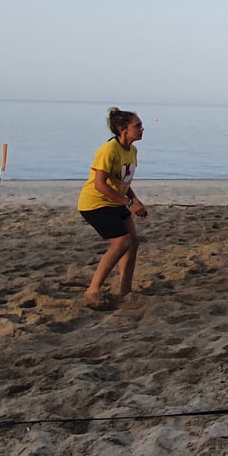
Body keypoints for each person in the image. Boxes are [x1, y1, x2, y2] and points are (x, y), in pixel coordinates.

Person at [77, 107, 148, 308]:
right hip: (95, 203)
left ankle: (125, 290)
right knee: (121, 242)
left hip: (116, 200)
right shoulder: (108, 150)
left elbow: (123, 181)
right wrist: (128, 203)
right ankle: (93, 291)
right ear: (123, 129)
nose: (142, 129)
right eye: (138, 126)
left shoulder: (132, 150)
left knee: (133, 242)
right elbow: (100, 184)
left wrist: (135, 200)